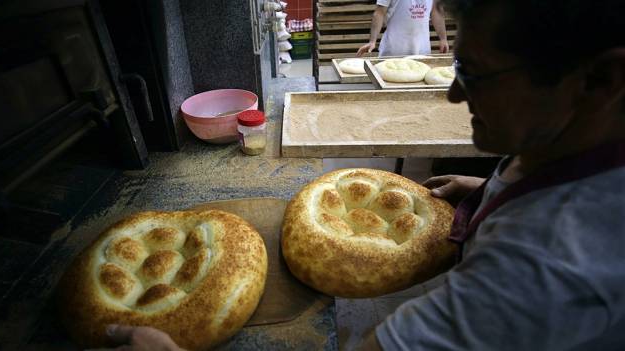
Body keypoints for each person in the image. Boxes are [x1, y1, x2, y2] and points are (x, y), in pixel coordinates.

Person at [90, 0, 625, 349]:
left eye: (477, 74)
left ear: (602, 79)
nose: (456, 94)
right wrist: (486, 193)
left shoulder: (543, 266)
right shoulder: (570, 147)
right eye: (458, 67)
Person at [356, 0, 449, 57]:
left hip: (422, 50)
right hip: (394, 51)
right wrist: (372, 41)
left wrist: (443, 38)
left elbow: (437, 11)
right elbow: (379, 13)